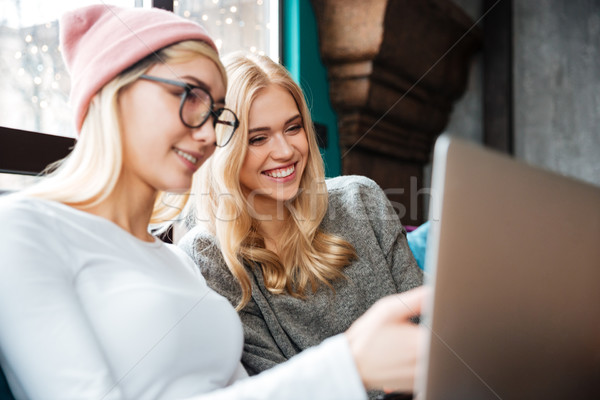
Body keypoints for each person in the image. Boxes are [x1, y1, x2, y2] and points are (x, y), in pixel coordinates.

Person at [0, 5, 425, 400]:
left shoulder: (173, 262)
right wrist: (346, 366)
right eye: (190, 97)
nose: (208, 133)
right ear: (114, 95)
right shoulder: (22, 228)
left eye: (217, 114)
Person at [179, 53, 424, 398]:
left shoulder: (362, 198)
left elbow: (429, 326)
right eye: (258, 138)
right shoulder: (209, 257)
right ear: (224, 150)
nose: (285, 151)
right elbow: (282, 388)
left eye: (293, 128)